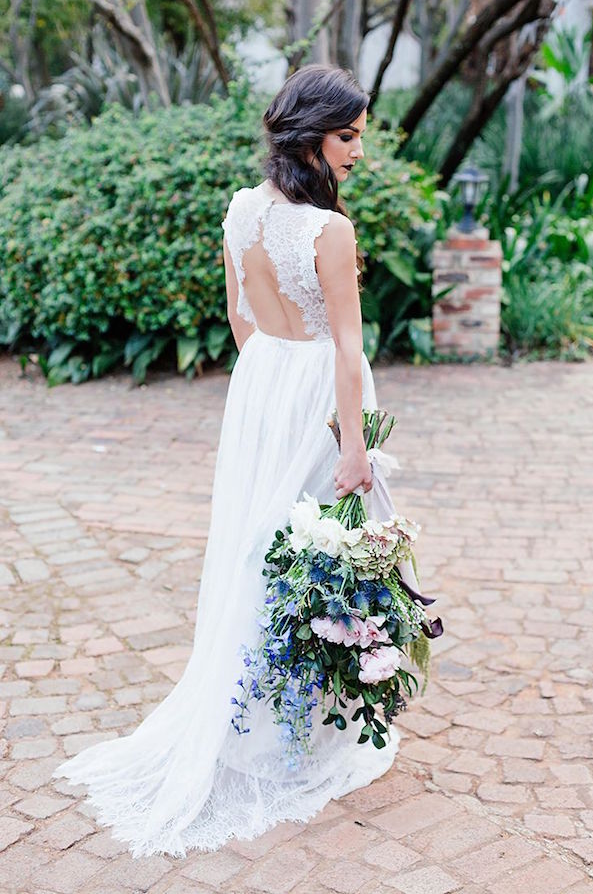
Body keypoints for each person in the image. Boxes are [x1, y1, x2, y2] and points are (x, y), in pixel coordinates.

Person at [52, 64, 401, 858]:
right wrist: (352, 444)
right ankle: (291, 733)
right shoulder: (330, 230)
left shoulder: (241, 212)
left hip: (265, 385)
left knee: (264, 545)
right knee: (322, 549)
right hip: (314, 389)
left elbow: (242, 322)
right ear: (312, 134)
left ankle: (262, 714)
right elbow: (348, 347)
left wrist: (270, 385)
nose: (356, 152)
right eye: (347, 137)